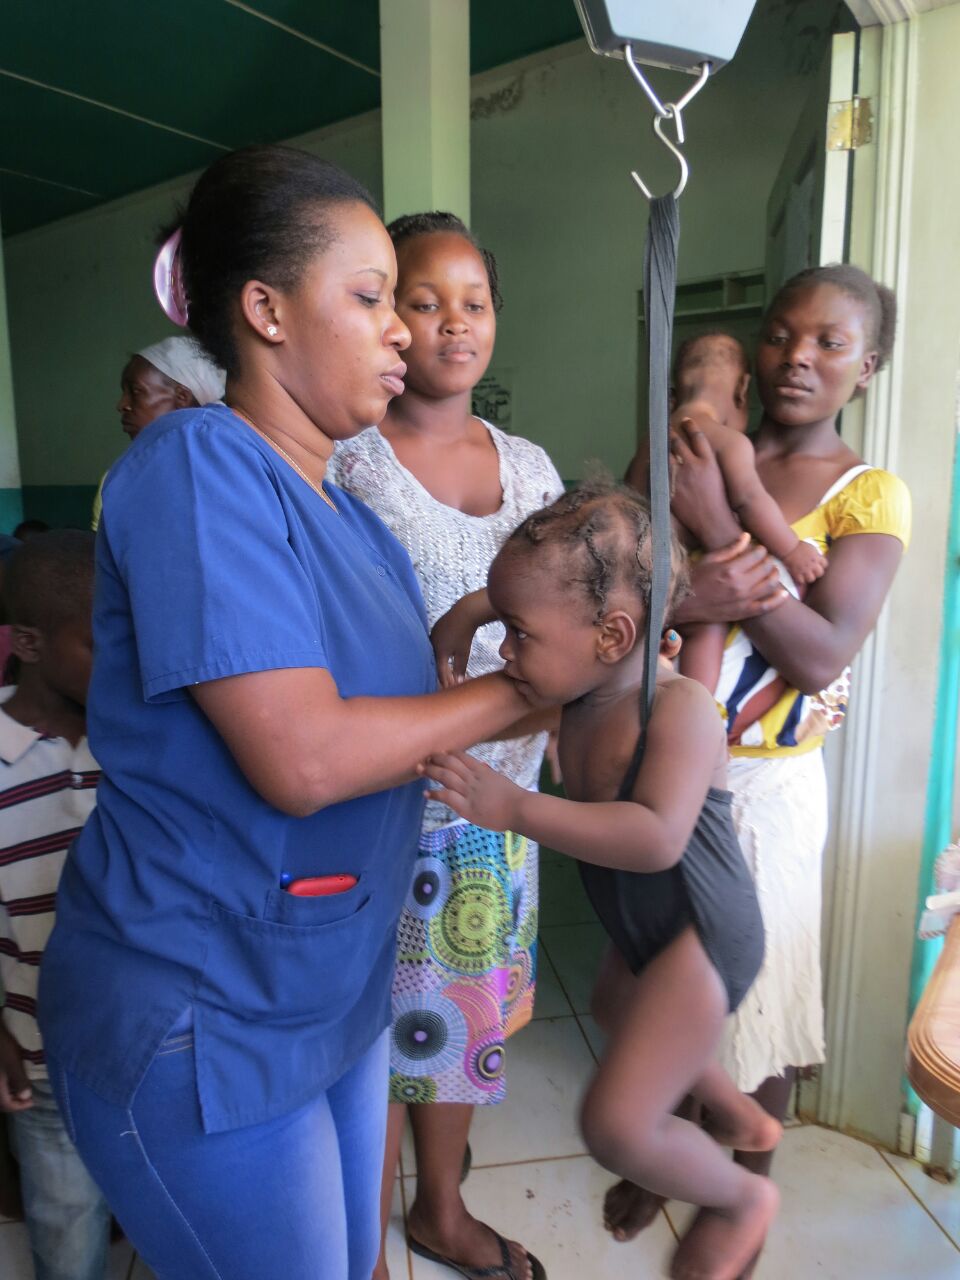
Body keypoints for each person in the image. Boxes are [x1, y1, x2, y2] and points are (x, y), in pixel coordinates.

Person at [37, 145, 535, 1280]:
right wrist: (514, 689)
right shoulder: (197, 463)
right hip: (201, 1001)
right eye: (370, 297)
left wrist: (580, 658)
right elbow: (304, 757)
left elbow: (402, 731)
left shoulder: (349, 515)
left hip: (330, 984)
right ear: (263, 309)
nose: (403, 328)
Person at [603, 264, 911, 1262]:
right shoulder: (687, 448)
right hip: (659, 763)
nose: (800, 358)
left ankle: (743, 1188)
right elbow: (610, 581)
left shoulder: (870, 494)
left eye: (831, 343)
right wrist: (689, 545)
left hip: (769, 786)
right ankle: (665, 1147)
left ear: (869, 366)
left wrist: (724, 524)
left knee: (760, 992)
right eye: (782, 334)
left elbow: (822, 650)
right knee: (655, 973)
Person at [422, 481, 779, 1280]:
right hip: (644, 926)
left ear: (613, 635)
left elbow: (655, 838)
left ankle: (738, 1199)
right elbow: (511, 675)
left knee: (615, 1123)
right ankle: (736, 1112)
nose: (508, 653)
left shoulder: (679, 710)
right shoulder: (580, 686)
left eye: (518, 634)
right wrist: (475, 611)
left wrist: (514, 807)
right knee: (615, 1005)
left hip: (701, 929)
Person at [330, 211, 563, 1280]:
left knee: (461, 1038)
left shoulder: (528, 466)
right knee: (373, 1050)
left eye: (474, 301)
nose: (452, 323)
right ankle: (359, 1246)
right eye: (422, 301)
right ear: (387, 319)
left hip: (498, 808)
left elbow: (583, 620)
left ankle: (442, 1211)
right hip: (385, 808)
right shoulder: (349, 464)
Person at [0, 531, 109, 1280]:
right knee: (68, 1236)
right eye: (104, 645)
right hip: (39, 1053)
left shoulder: (134, 740)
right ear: (31, 644)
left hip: (148, 1047)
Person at [626, 332, 825, 693]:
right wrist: (792, 550)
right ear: (742, 390)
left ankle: (660, 700)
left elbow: (628, 503)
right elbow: (751, 501)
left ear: (673, 395)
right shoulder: (730, 442)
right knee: (709, 623)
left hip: (644, 570)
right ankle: (696, 707)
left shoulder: (649, 443)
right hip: (688, 569)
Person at [90, 335, 226, 530]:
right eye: (124, 393)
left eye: (136, 392)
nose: (122, 405)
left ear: (182, 397)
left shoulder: (228, 472)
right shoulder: (115, 482)